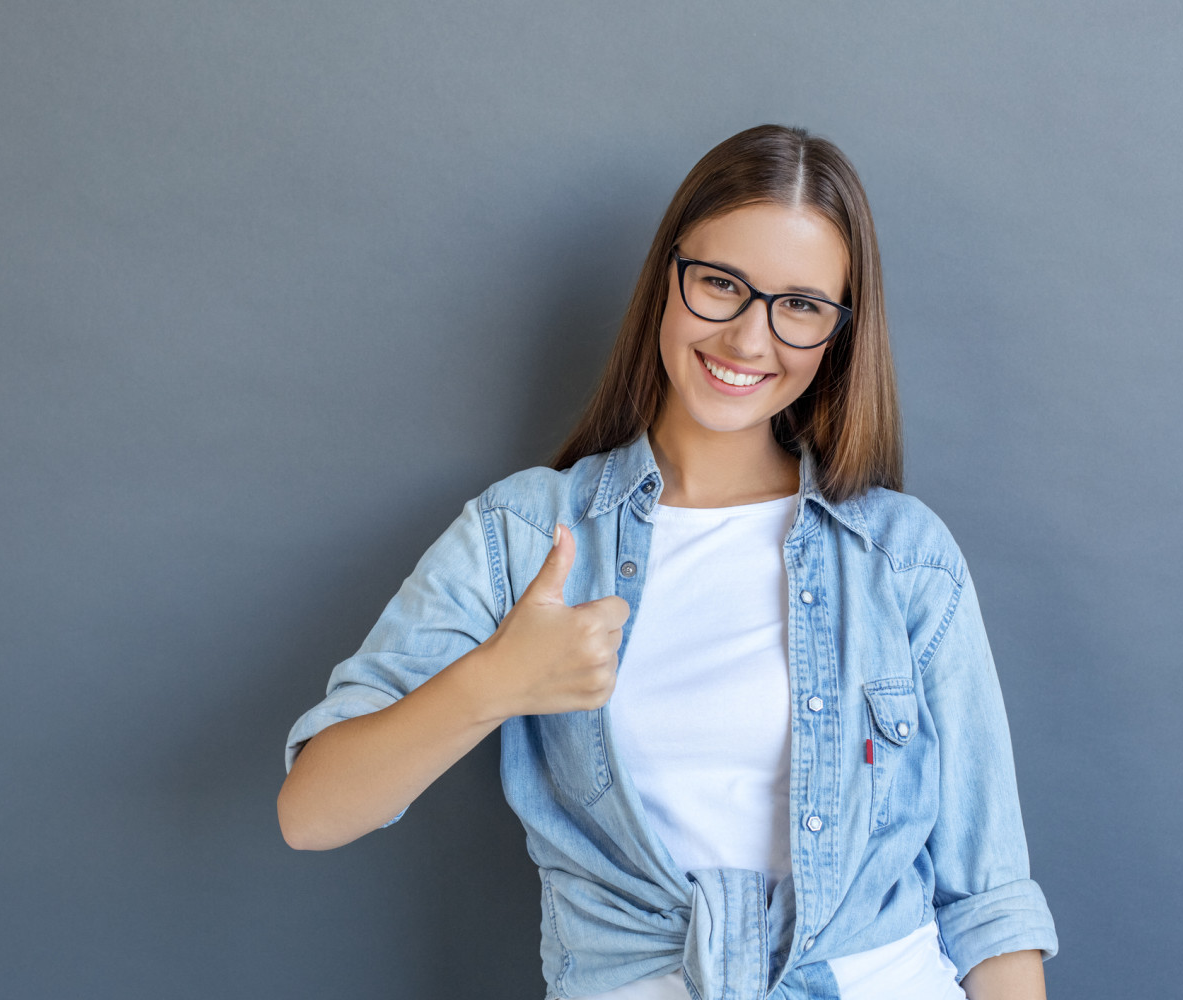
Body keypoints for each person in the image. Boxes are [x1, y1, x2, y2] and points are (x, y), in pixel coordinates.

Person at [276, 124, 1058, 1000]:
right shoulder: (527, 534)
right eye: (722, 284)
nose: (751, 340)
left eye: (799, 305)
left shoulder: (903, 557)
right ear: (668, 279)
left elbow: (990, 902)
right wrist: (497, 681)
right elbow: (313, 813)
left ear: (839, 331)